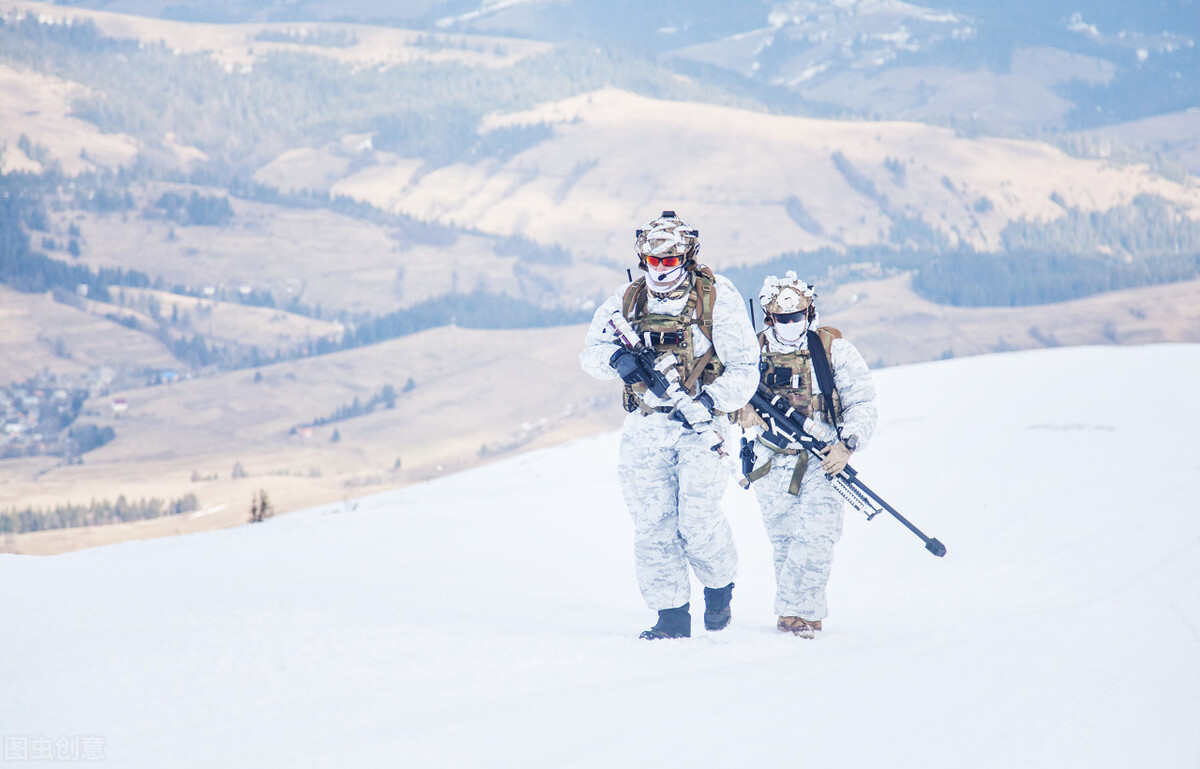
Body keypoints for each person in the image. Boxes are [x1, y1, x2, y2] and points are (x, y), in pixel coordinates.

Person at [580, 211, 758, 639]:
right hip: (646, 426)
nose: (661, 269)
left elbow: (746, 368)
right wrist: (617, 361)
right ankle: (671, 616)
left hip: (701, 424)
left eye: (670, 260)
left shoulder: (717, 299)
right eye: (654, 261)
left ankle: (719, 588)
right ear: (643, 259)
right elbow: (590, 353)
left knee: (696, 521)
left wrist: (708, 401)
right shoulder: (628, 299)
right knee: (653, 523)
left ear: (687, 257)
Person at [737, 272, 878, 639]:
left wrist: (846, 445)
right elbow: (724, 393)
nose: (791, 324)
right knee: (785, 542)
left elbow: (863, 402)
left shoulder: (833, 351)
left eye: (797, 316)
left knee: (818, 535)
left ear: (809, 312)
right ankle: (800, 619)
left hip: (822, 458)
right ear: (769, 318)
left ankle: (795, 612)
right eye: (783, 319)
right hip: (771, 461)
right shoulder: (748, 354)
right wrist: (740, 412)